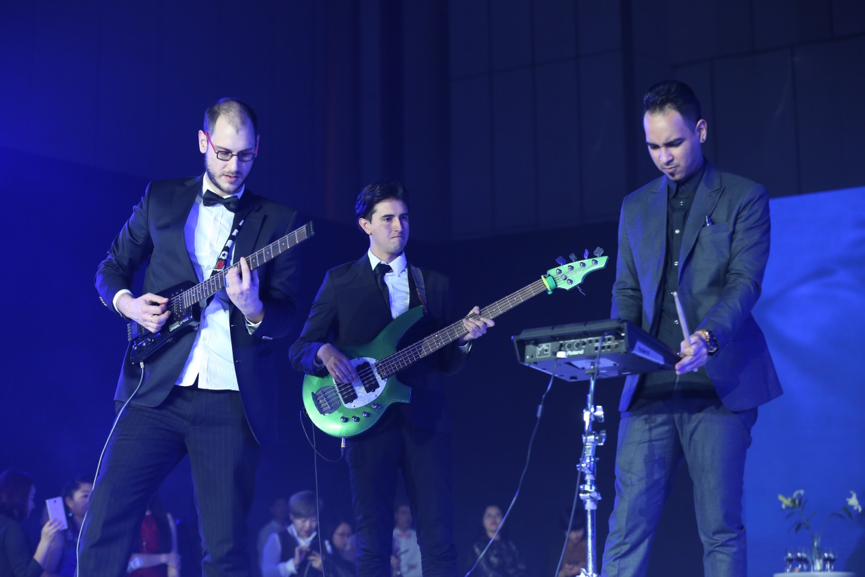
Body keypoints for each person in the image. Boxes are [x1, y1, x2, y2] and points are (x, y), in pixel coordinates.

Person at [79, 98, 302, 576]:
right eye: (223, 153)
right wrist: (129, 304)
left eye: (245, 155)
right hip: (153, 390)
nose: (234, 166)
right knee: (103, 527)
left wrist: (254, 308)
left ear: (258, 149)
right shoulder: (161, 197)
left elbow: (286, 316)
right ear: (203, 142)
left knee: (225, 552)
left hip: (230, 400)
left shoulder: (279, 220)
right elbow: (110, 268)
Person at [600, 80, 783, 576]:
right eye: (653, 147)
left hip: (717, 385)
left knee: (720, 530)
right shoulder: (635, 206)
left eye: (674, 143)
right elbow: (627, 289)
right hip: (650, 387)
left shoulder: (743, 197)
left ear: (700, 131)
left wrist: (707, 338)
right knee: (626, 528)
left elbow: (744, 283)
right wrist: (620, 343)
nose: (664, 157)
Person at [290, 181, 494, 576]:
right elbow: (299, 347)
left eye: (403, 217)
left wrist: (464, 341)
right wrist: (323, 352)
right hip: (366, 423)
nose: (398, 226)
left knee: (438, 537)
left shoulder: (434, 284)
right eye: (387, 219)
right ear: (365, 225)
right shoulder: (339, 280)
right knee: (372, 539)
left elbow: (446, 363)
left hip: (426, 420)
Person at [0, 469, 64, 577]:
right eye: (31, 498)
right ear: (19, 497)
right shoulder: (12, 529)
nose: (33, 505)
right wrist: (45, 540)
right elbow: (27, 575)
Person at [261, 491, 322, 577]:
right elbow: (267, 573)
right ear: (292, 516)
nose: (308, 525)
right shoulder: (277, 539)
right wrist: (293, 563)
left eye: (313, 520)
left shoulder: (323, 541)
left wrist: (323, 568)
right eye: (303, 520)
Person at [43, 474, 93, 576]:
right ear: (69, 501)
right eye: (85, 496)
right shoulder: (61, 533)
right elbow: (46, 573)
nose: (91, 500)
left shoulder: (99, 530)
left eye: (94, 495)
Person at [465, 505, 527, 577]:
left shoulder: (511, 545)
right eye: (489, 515)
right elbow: (488, 572)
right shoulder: (477, 546)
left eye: (497, 515)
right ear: (482, 520)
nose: (493, 518)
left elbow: (522, 568)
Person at [126, 494, 180, 577]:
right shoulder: (127, 521)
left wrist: (169, 560)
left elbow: (173, 560)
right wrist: (165, 558)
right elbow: (129, 561)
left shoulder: (166, 518)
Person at [257, 498, 289, 575]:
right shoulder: (266, 531)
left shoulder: (291, 528)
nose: (283, 508)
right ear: (272, 509)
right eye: (279, 505)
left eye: (284, 505)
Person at [552, 509, 586, 577]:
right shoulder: (557, 547)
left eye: (578, 530)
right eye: (570, 531)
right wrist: (564, 573)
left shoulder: (593, 545)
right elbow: (550, 573)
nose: (575, 535)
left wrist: (584, 569)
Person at [391, 503, 420, 577]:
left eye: (410, 513)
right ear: (396, 515)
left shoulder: (418, 536)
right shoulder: (388, 537)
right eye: (403, 513)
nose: (407, 517)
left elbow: (419, 564)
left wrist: (403, 569)